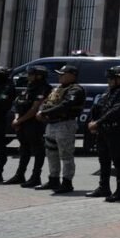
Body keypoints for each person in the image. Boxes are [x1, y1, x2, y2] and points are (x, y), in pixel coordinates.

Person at [35, 65, 87, 194]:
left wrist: (45, 113)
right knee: (51, 153)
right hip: (52, 124)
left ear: (72, 75)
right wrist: (42, 110)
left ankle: (67, 182)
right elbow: (47, 101)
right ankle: (53, 179)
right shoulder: (58, 88)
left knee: (66, 154)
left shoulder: (75, 89)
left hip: (65, 124)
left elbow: (65, 105)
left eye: (63, 74)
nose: (60, 76)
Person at [86, 66, 120, 202]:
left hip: (116, 131)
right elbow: (98, 107)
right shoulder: (108, 92)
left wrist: (98, 123)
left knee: (119, 162)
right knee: (103, 160)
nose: (109, 81)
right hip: (103, 130)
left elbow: (115, 111)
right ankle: (104, 187)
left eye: (112, 78)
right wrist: (93, 122)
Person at [4, 66, 51, 187]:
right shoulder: (29, 87)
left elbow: (35, 108)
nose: (28, 76)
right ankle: (20, 175)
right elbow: (18, 104)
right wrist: (17, 119)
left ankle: (35, 177)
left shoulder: (44, 89)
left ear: (39, 76)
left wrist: (19, 120)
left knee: (37, 150)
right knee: (24, 149)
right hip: (22, 122)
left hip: (34, 123)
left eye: (31, 74)